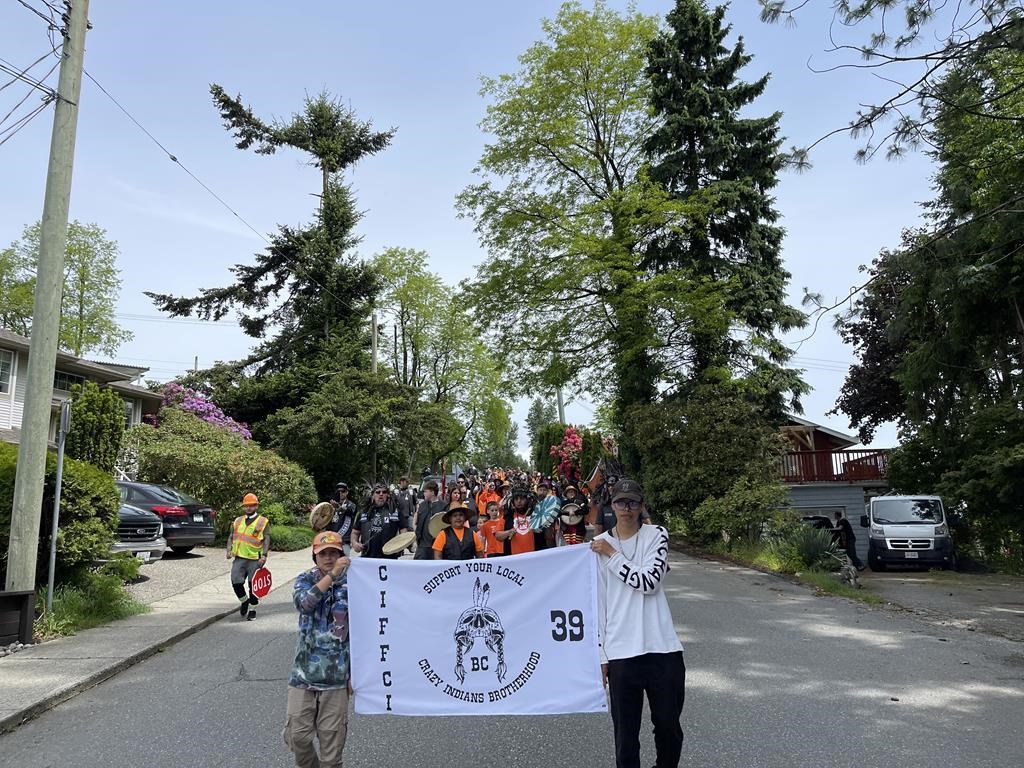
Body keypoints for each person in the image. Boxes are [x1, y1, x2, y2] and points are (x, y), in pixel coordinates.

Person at [590, 479, 685, 768]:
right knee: (626, 737)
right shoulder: (599, 546)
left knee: (669, 729)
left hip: (663, 649)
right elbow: (599, 604)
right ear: (612, 505)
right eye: (621, 502)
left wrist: (612, 554)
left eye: (632, 502)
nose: (626, 508)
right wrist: (602, 654)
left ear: (641, 506)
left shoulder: (656, 535)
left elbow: (649, 582)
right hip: (621, 653)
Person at [284, 530, 351, 768]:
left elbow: (365, 629)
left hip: (336, 679)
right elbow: (304, 604)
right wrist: (332, 576)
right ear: (315, 556)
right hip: (303, 676)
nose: (329, 558)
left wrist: (357, 672)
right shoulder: (305, 579)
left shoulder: (354, 584)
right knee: (298, 737)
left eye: (334, 553)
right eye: (323, 553)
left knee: (332, 752)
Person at [226, 492, 270, 621]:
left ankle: (252, 609)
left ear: (256, 506)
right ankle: (244, 601)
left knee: (253, 586)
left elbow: (266, 539)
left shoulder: (263, 521)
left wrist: (264, 555)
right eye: (246, 505)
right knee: (236, 581)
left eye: (251, 505)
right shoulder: (238, 521)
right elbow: (231, 537)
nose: (248, 508)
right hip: (239, 557)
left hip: (254, 559)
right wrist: (229, 549)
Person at [350, 484, 412, 559]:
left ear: (388, 495)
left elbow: (403, 529)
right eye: (378, 492)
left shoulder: (395, 512)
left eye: (384, 492)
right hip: (367, 556)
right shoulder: (363, 512)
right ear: (372, 495)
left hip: (389, 556)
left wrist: (400, 545)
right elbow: (355, 532)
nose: (381, 494)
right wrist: (354, 543)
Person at [496, 484, 537, 556]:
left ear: (527, 500)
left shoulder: (535, 516)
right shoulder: (507, 517)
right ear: (513, 501)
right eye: (516, 499)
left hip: (534, 557)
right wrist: (508, 532)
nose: (519, 501)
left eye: (522, 499)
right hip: (514, 559)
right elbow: (498, 536)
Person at [414, 480, 446, 560]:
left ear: (432, 492)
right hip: (423, 546)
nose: (423, 493)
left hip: (437, 545)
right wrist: (416, 532)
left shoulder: (444, 506)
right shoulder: (422, 505)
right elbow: (415, 521)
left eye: (425, 491)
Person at [327, 482, 357, 554]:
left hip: (344, 541)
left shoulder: (351, 505)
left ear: (347, 492)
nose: (340, 493)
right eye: (338, 491)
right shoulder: (331, 506)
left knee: (343, 563)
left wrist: (339, 508)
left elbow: (350, 512)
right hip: (332, 540)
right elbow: (327, 522)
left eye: (343, 491)